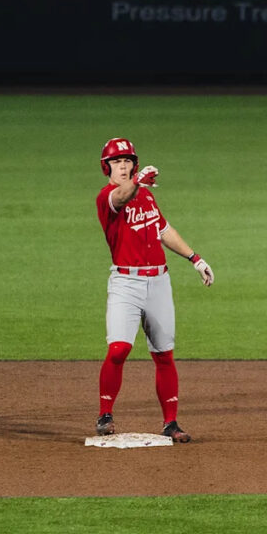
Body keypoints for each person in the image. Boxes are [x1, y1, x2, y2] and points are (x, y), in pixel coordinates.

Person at [94, 137, 215, 443]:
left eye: (127, 161)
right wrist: (138, 181)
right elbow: (121, 197)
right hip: (126, 284)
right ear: (106, 167)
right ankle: (105, 414)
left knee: (164, 355)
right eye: (116, 162)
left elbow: (164, 230)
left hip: (159, 282)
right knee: (119, 350)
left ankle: (171, 423)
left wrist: (195, 258)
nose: (122, 166)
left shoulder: (146, 197)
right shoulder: (107, 198)